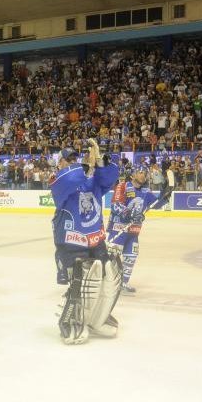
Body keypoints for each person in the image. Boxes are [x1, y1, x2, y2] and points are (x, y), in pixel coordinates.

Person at [51, 139, 121, 345]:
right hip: (72, 243)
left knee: (110, 276)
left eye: (76, 157)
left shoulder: (93, 180)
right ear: (60, 163)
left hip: (96, 240)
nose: (73, 162)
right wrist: (87, 165)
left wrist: (98, 159)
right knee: (82, 283)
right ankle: (71, 320)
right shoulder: (59, 180)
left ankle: (97, 318)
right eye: (68, 159)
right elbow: (71, 178)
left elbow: (111, 176)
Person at [106, 166, 170, 293]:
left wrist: (165, 194)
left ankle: (122, 283)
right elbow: (115, 205)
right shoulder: (122, 186)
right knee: (112, 258)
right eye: (140, 172)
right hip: (118, 229)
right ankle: (107, 282)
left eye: (145, 173)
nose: (143, 175)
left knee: (131, 257)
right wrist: (130, 214)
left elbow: (156, 204)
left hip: (134, 231)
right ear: (133, 175)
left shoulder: (146, 190)